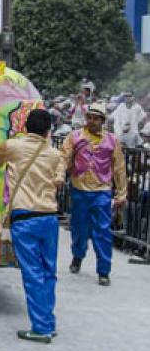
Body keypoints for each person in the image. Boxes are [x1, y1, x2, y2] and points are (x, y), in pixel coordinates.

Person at [0, 108, 64, 343]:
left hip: (24, 218)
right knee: (48, 272)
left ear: (25, 127)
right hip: (49, 218)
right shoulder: (55, 154)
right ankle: (48, 322)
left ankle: (41, 328)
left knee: (32, 273)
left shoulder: (13, 146)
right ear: (48, 131)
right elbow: (59, 180)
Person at [60, 102, 127, 286]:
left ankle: (104, 271)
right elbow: (64, 158)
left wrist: (122, 193)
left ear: (102, 121)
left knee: (103, 232)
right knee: (79, 229)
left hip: (102, 192)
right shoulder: (74, 136)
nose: (91, 121)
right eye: (89, 117)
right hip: (79, 190)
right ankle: (78, 255)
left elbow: (119, 168)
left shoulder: (112, 140)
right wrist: (57, 177)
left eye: (96, 118)